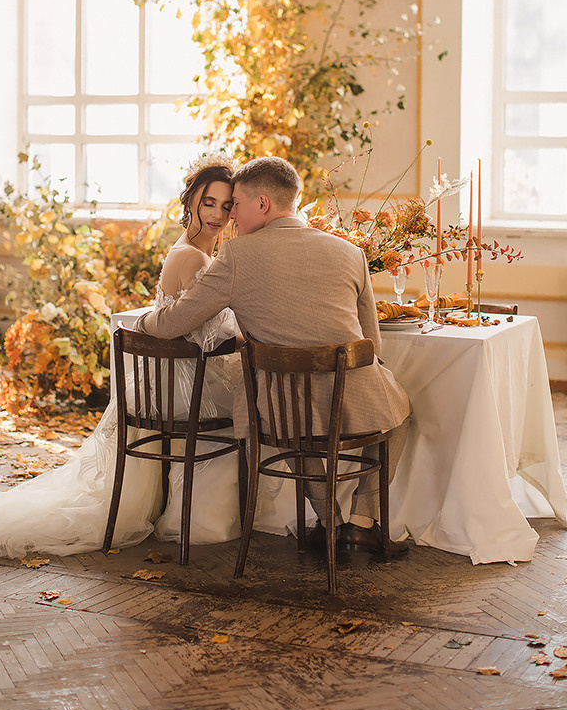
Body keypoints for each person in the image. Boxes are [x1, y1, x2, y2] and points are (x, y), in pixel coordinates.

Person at [0, 158, 242, 557]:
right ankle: (214, 523)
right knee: (253, 409)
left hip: (171, 377)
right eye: (209, 203)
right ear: (191, 202)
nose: (218, 214)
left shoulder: (193, 251)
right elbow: (206, 332)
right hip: (182, 384)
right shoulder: (196, 259)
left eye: (226, 205)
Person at [136, 156, 412, 555]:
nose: (231, 217)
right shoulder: (350, 253)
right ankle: (361, 521)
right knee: (400, 413)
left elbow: (171, 323)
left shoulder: (236, 257)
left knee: (293, 420)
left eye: (236, 206)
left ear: (263, 204)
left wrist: (142, 321)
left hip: (286, 409)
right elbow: (372, 344)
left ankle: (328, 522)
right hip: (356, 397)